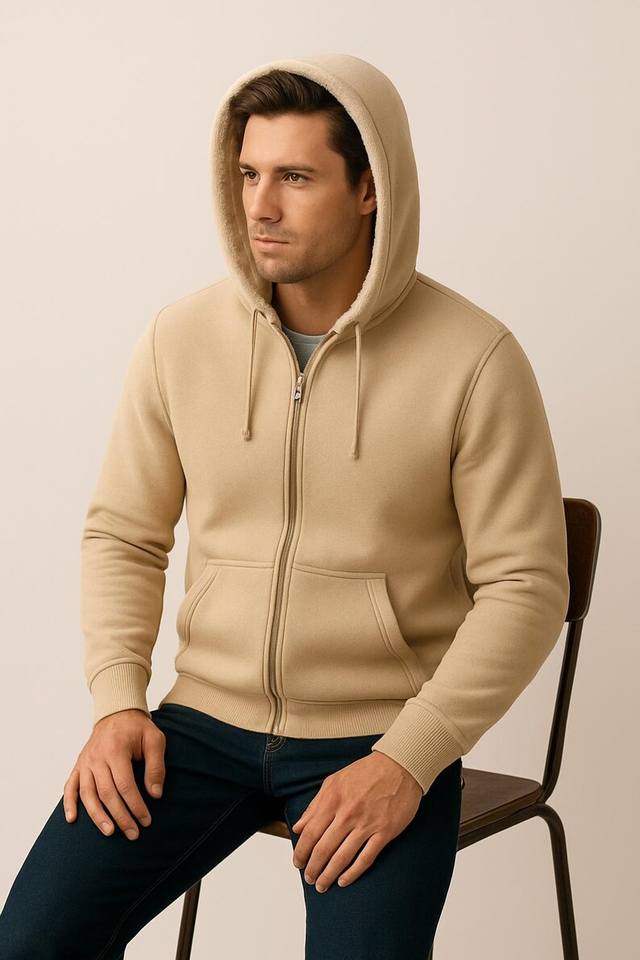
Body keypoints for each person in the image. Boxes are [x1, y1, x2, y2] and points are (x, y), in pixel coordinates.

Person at [0, 53, 570, 959]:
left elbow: (528, 585)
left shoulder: (474, 359)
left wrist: (409, 758)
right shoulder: (181, 338)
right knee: (28, 943)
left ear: (370, 189)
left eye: (296, 178)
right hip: (197, 729)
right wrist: (117, 704)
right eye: (248, 175)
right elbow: (124, 534)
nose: (260, 207)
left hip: (378, 739)